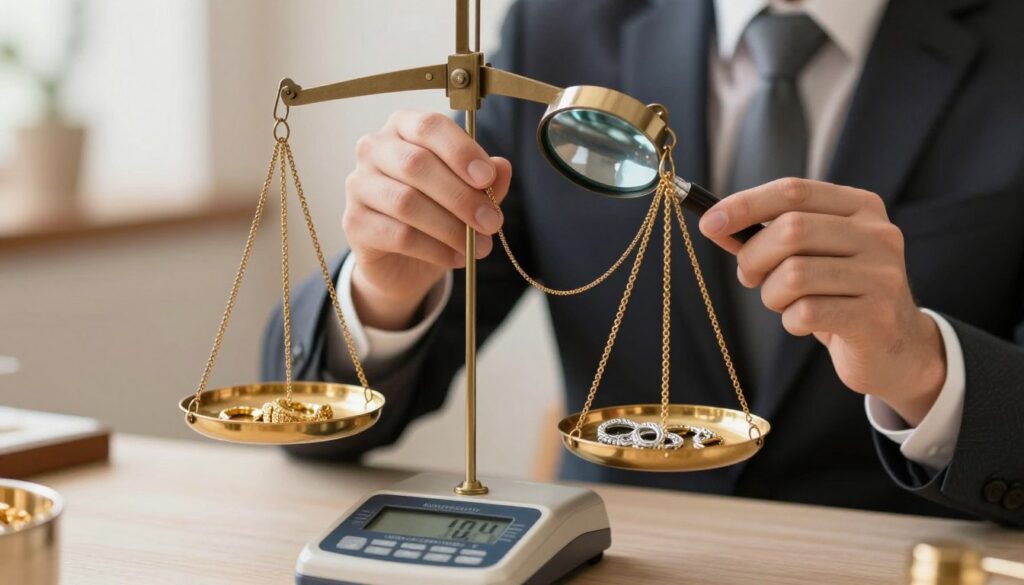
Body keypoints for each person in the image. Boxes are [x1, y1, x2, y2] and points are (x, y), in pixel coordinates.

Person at [262, 0, 1024, 526]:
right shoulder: (562, 29)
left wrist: (924, 369)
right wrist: (384, 291)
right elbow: (312, 429)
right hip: (619, 556)